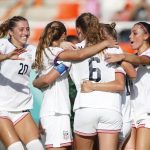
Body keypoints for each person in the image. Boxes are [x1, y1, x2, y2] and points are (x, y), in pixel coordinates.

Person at [0, 16, 44, 150]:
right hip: (2, 108)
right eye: (21, 29)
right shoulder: (3, 44)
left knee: (37, 147)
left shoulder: (32, 50)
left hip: (21, 108)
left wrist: (62, 45)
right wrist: (7, 56)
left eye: (28, 29)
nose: (25, 32)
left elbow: (51, 55)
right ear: (11, 32)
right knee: (16, 148)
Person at [105, 21, 150, 150]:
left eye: (135, 33)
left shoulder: (144, 56)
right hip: (132, 115)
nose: (130, 37)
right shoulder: (131, 58)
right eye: (130, 33)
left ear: (146, 36)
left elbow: (142, 60)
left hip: (146, 114)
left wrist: (121, 56)